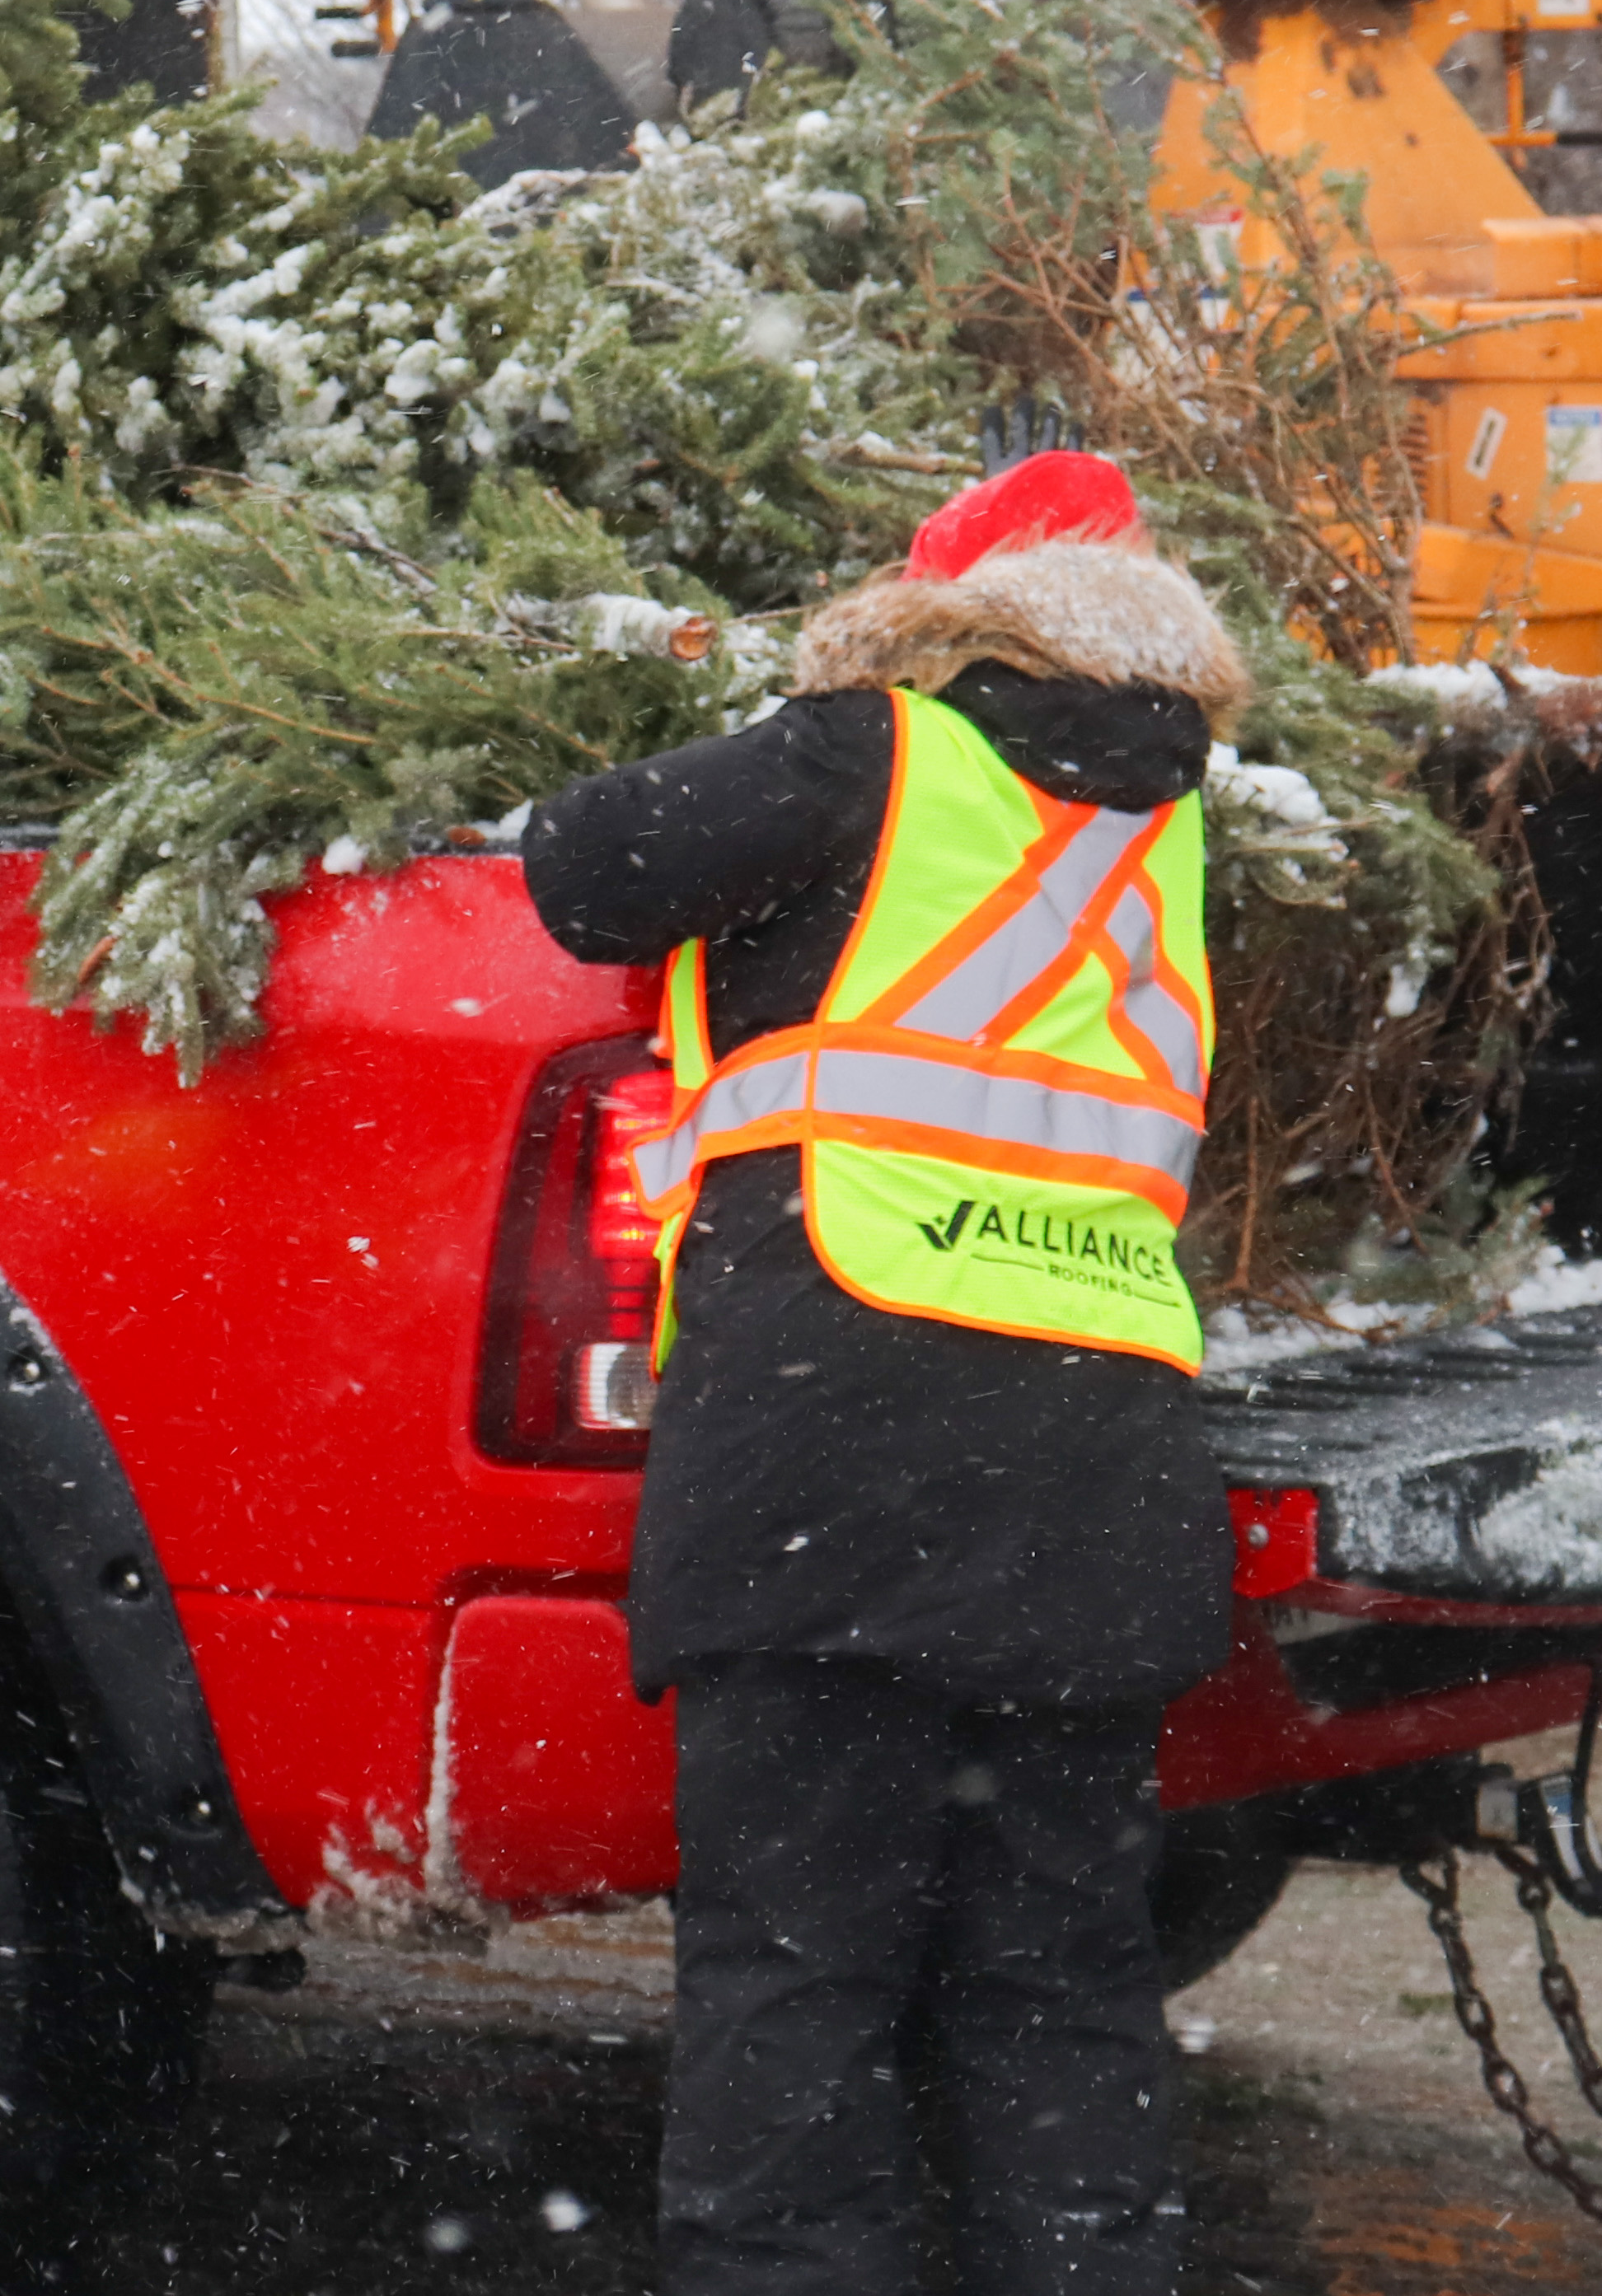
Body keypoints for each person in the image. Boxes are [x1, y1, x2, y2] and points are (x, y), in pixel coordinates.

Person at [522, 447, 1244, 2296]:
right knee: (1060, 1991)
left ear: (951, 619)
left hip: (837, 1457)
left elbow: (582, 867)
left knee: (794, 1984)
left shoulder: (875, 754)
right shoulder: (1171, 831)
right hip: (1097, 1469)